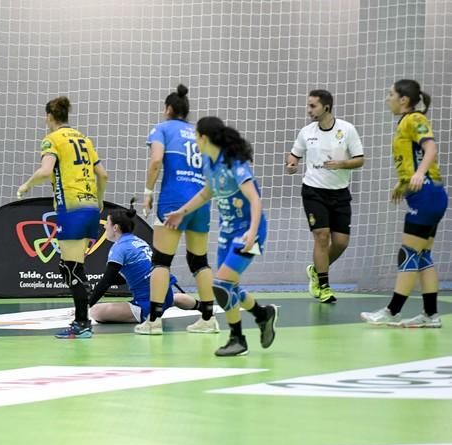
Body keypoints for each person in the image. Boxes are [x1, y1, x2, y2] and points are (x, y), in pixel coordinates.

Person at [164, 116, 278, 357]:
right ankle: (262, 314)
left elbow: (256, 200)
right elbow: (207, 193)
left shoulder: (234, 164)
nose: (194, 139)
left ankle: (238, 339)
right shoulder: (208, 162)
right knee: (230, 287)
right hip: (227, 232)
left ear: (204, 138)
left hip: (249, 232)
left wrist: (252, 232)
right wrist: (181, 212)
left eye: (196, 135)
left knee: (221, 285)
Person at [17, 96, 109, 339]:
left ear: (49, 117)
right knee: (74, 266)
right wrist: (99, 200)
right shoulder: (84, 139)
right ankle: (83, 318)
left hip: (71, 208)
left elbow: (46, 171)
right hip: (90, 207)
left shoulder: (52, 140)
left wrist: (26, 185)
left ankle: (82, 323)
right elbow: (104, 175)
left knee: (69, 268)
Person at [361, 79, 447, 328]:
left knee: (408, 253)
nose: (387, 98)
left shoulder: (415, 119)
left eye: (390, 94)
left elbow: (429, 148)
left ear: (403, 100)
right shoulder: (404, 123)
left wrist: (419, 174)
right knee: (423, 255)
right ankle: (430, 315)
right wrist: (403, 183)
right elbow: (414, 156)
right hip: (428, 194)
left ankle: (392, 311)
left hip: (426, 194)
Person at [138, 84, 217, 335]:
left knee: (161, 261)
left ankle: (153, 321)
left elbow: (156, 161)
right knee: (199, 261)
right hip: (201, 201)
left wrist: (148, 192)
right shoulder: (199, 134)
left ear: (168, 109)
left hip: (174, 200)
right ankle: (208, 319)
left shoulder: (162, 129)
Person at [286, 90, 365, 303]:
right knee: (322, 235)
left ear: (326, 107)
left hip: (340, 193)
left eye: (313, 106)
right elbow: (294, 155)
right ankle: (324, 286)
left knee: (340, 242)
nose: (309, 110)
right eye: (308, 105)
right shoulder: (306, 132)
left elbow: (359, 159)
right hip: (313, 191)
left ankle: (316, 270)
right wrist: (291, 165)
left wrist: (342, 164)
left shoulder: (347, 130)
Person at [88, 199, 201, 326]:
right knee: (174, 297)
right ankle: (202, 307)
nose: (104, 226)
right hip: (166, 296)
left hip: (147, 306)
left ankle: (143, 314)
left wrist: (87, 306)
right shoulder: (139, 241)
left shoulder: (119, 248)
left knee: (95, 311)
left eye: (107, 223)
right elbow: (136, 273)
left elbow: (106, 282)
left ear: (115, 227)